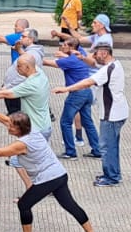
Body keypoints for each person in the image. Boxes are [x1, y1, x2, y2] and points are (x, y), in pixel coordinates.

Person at [0, 110, 100, 232]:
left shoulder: (22, 144)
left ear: (20, 129)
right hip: (59, 174)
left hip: (47, 179)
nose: (9, 127)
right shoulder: (32, 131)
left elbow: (0, 152)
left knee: (24, 204)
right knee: (70, 205)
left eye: (12, 127)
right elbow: (7, 120)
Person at [54, 42, 126, 187]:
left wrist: (66, 88)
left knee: (107, 146)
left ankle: (111, 177)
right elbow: (93, 64)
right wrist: (82, 58)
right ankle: (114, 173)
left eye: (96, 53)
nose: (94, 56)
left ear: (104, 53)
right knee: (112, 145)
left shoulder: (107, 70)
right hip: (119, 112)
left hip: (111, 113)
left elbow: (87, 82)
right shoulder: (114, 65)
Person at [45, 38, 100, 161]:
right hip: (87, 92)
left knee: (65, 122)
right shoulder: (80, 53)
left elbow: (50, 63)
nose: (62, 46)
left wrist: (33, 58)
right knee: (88, 122)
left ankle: (70, 152)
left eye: (64, 45)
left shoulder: (70, 60)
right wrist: (64, 54)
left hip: (76, 94)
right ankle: (97, 150)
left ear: (71, 48)